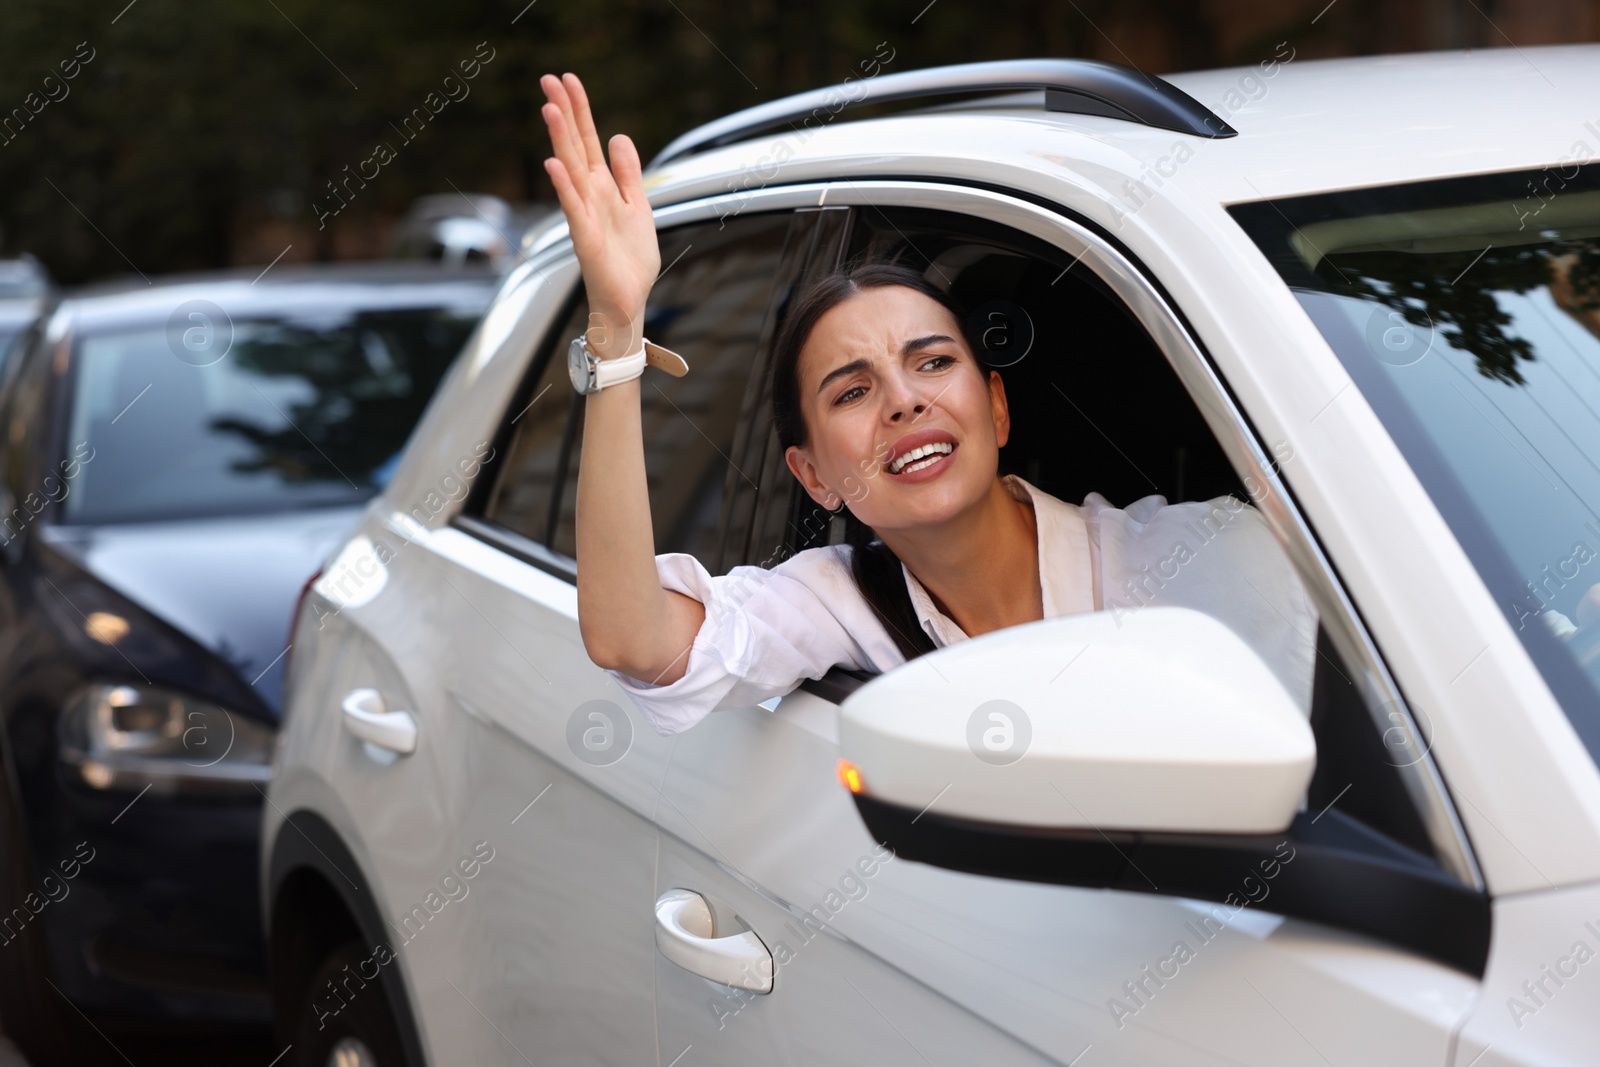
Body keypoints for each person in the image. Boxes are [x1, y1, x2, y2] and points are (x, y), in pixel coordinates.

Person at [538, 72, 1318, 736]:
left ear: (997, 407)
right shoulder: (841, 598)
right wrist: (616, 326)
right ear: (813, 477)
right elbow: (629, 636)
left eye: (934, 361)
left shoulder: (1201, 560)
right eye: (852, 389)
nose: (905, 401)